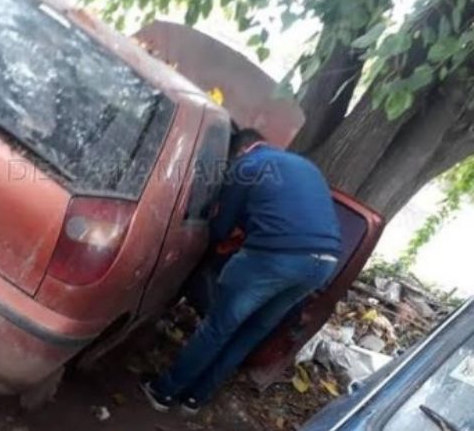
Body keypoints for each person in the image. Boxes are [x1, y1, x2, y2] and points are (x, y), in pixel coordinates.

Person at [141, 128, 342, 415]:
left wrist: (208, 259)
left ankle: (164, 391)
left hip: (276, 257)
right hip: (324, 263)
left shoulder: (246, 165)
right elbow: (281, 215)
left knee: (218, 327)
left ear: (240, 151)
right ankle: (195, 399)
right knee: (249, 334)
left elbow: (221, 227)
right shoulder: (303, 166)